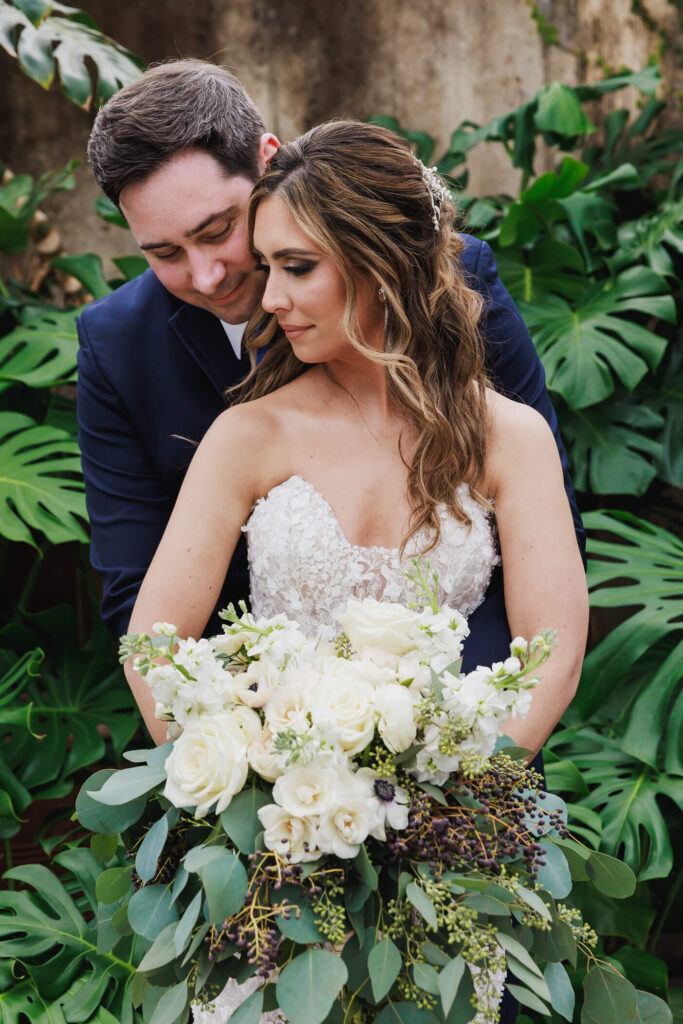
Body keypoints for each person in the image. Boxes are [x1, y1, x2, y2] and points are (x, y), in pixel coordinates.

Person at [123, 119, 589, 1024]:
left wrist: (454, 809)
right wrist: (239, 797)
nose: (273, 297)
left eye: (299, 268)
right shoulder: (248, 434)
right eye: (271, 268)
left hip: (457, 845)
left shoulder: (508, 437)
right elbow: (154, 642)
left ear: (381, 261)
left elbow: (554, 649)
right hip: (278, 858)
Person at [77, 60, 585, 682]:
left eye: (218, 230)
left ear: (268, 162)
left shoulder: (448, 279)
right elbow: (137, 599)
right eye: (164, 253)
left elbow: (545, 542)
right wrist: (265, 747)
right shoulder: (116, 345)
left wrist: (440, 740)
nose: (206, 275)